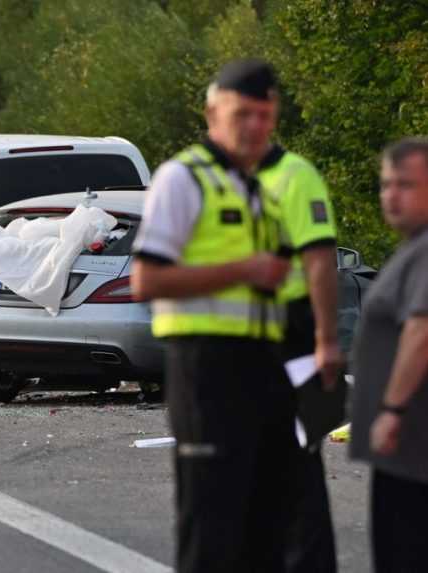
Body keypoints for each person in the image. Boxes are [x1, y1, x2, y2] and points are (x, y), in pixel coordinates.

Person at [130, 58, 296, 572]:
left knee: (267, 522)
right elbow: (146, 280)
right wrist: (243, 269)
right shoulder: (182, 179)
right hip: (205, 369)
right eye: (242, 114)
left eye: (265, 116)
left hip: (264, 368)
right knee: (212, 523)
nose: (254, 127)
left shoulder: (259, 186)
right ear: (212, 113)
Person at [257, 120, 342, 572]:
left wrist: (327, 339)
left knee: (298, 468)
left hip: (292, 338)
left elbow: (321, 259)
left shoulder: (292, 178)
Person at [349, 137, 428, 573]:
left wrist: (392, 410)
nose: (391, 195)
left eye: (405, 185)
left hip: (414, 445)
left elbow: (421, 331)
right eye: (386, 185)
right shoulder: (413, 248)